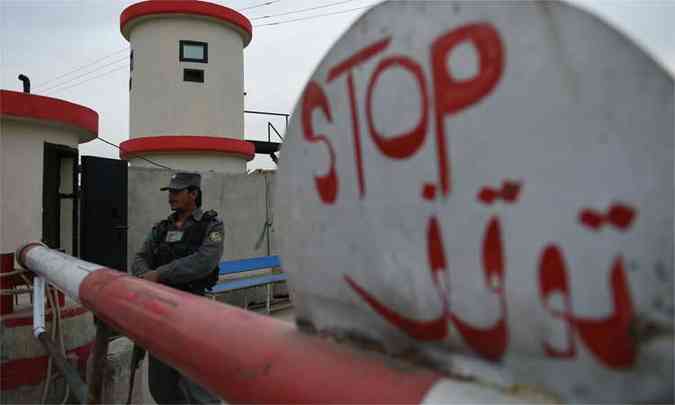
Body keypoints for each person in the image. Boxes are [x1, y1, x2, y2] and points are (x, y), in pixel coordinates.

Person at [131, 171, 223, 404]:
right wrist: (145, 275)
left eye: (176, 192)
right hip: (160, 311)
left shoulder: (210, 225)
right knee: (161, 387)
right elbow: (140, 258)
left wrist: (159, 274)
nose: (171, 196)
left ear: (193, 194)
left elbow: (204, 262)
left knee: (199, 387)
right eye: (169, 192)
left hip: (193, 311)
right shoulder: (162, 228)